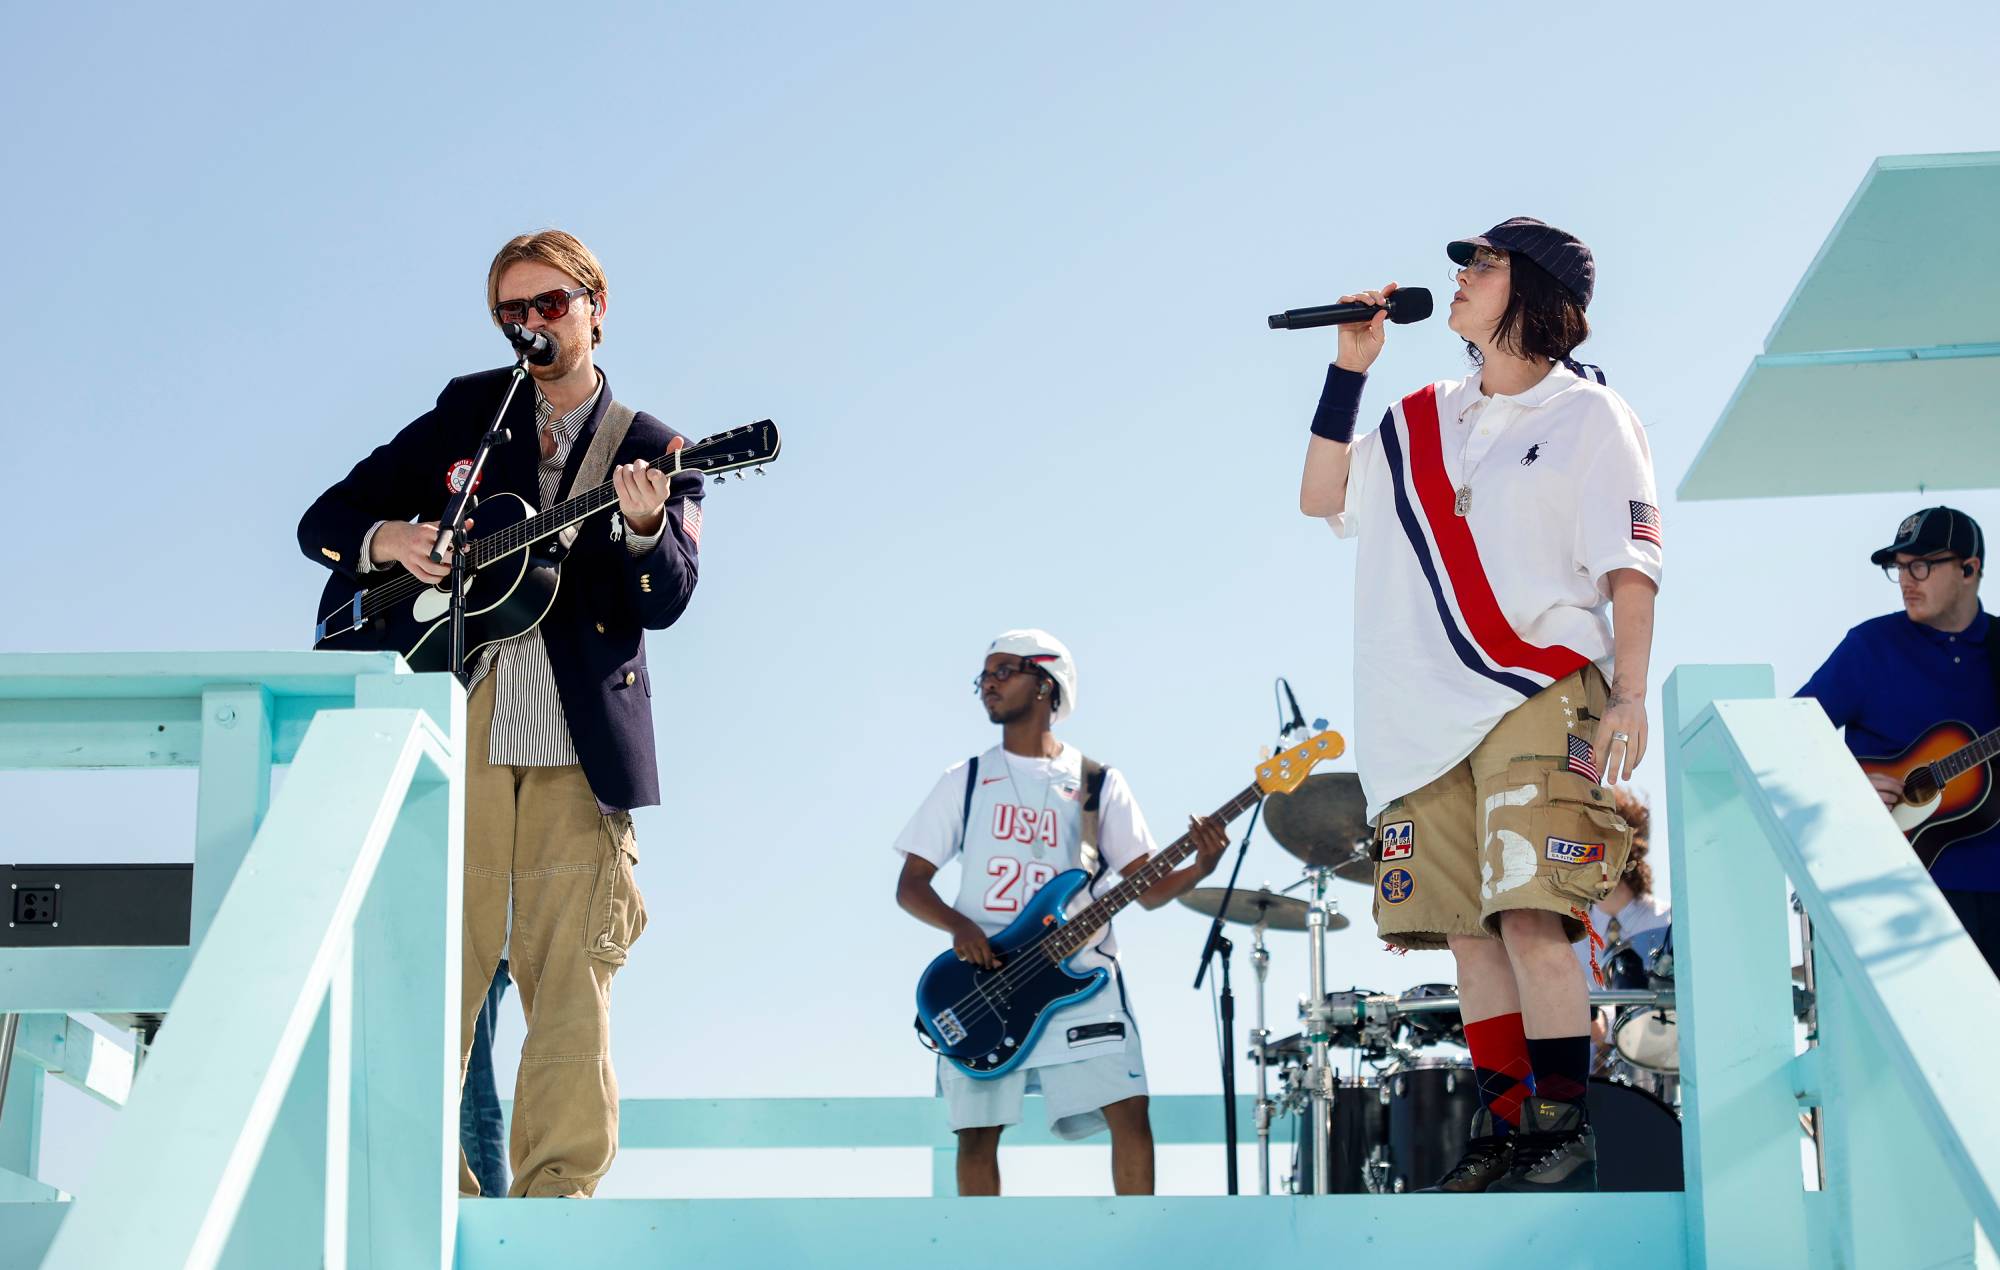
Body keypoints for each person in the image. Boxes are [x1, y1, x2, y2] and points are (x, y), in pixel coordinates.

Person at [298, 229, 705, 1197]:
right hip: (461, 726)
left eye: (550, 305)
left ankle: (557, 1202)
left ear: (596, 305)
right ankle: (420, 1195)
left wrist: (645, 523)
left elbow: (672, 593)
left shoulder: (654, 447)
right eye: (512, 313)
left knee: (568, 984)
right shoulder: (468, 412)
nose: (530, 326)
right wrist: (396, 538)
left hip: (578, 748)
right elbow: (323, 522)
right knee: (434, 970)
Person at [1297, 217, 1662, 1193]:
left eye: (1482, 263)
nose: (1457, 277)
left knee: (1531, 914)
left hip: (1538, 686)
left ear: (1533, 290)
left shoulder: (1587, 415)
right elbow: (1319, 493)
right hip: (1415, 715)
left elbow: (1630, 567)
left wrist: (1628, 694)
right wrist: (1349, 367)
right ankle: (1506, 1126)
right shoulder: (1420, 416)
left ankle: (1561, 1118)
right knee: (1466, 930)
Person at [892, 630, 1228, 1196]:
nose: (988, 684)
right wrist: (960, 926)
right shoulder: (965, 779)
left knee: (1129, 1111)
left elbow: (1145, 888)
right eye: (984, 675)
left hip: (1080, 976)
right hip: (983, 980)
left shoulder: (1098, 784)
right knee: (977, 1134)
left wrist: (1199, 868)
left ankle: (1137, 1248)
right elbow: (911, 886)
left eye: (1004, 671)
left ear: (1047, 684)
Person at [1798, 507, 1999, 974]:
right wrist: (1848, 786)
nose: (1907, 579)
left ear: (1970, 569)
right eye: (1900, 567)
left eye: (1922, 565)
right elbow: (1790, 741)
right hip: (1897, 893)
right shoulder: (1871, 647)